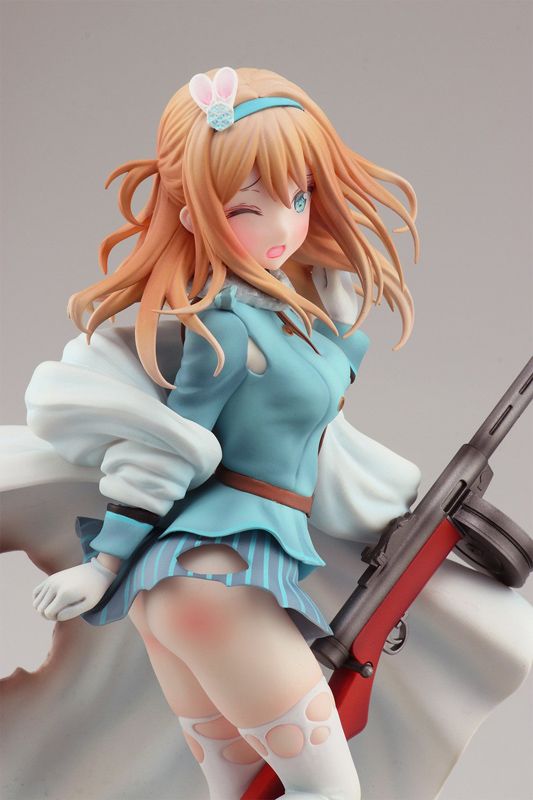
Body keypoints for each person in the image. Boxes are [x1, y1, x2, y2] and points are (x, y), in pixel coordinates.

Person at [25, 66, 448, 800]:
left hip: (195, 585)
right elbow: (175, 445)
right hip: (214, 582)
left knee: (244, 792)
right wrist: (103, 563)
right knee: (326, 792)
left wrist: (328, 286)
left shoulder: (286, 319)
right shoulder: (225, 328)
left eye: (298, 197)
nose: (283, 228)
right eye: (249, 209)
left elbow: (329, 366)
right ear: (193, 215)